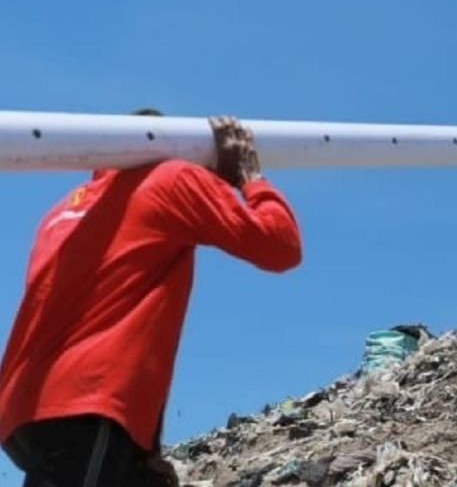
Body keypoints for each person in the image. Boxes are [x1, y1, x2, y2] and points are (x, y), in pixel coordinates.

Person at [0, 114, 303, 487]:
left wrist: (144, 452)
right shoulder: (171, 178)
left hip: (27, 412)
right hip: (89, 406)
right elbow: (279, 245)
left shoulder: (62, 212)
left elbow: (107, 306)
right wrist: (248, 177)